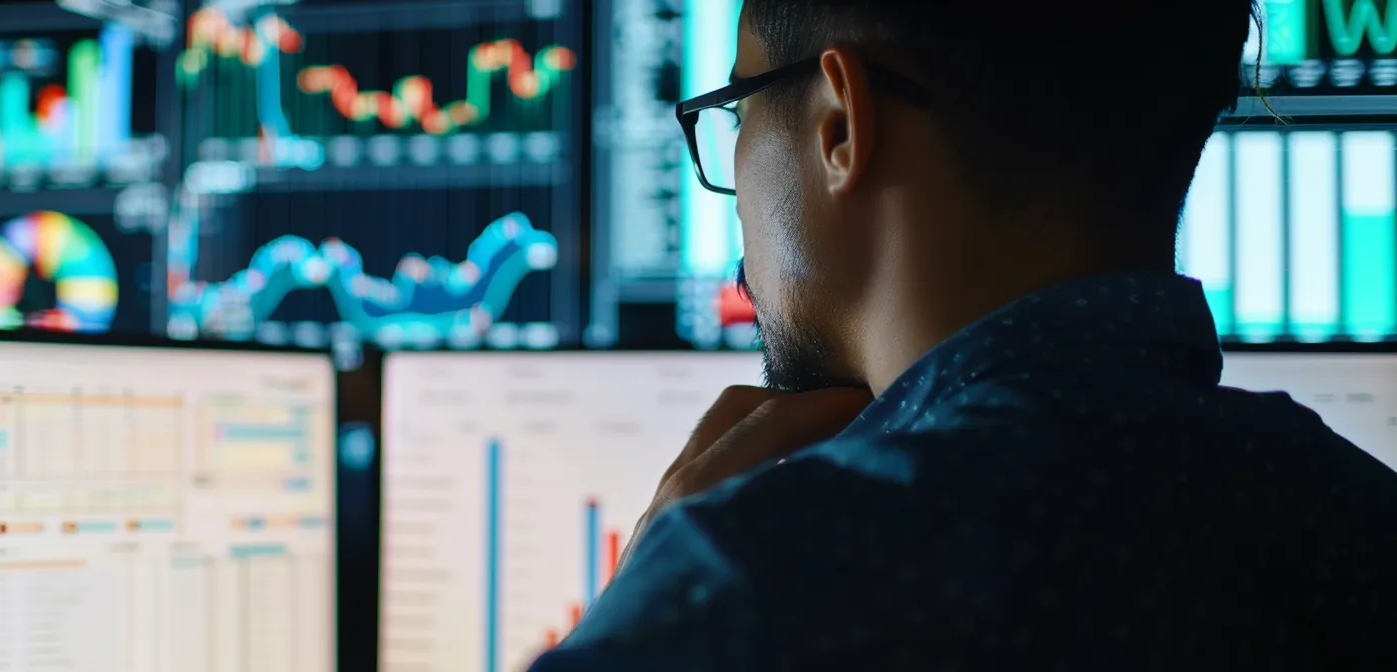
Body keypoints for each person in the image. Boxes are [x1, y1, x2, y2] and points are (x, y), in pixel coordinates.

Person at [530, 0, 1397, 669]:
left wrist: (644, 610)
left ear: (839, 122)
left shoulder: (750, 588)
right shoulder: (1361, 526)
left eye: (735, 114)